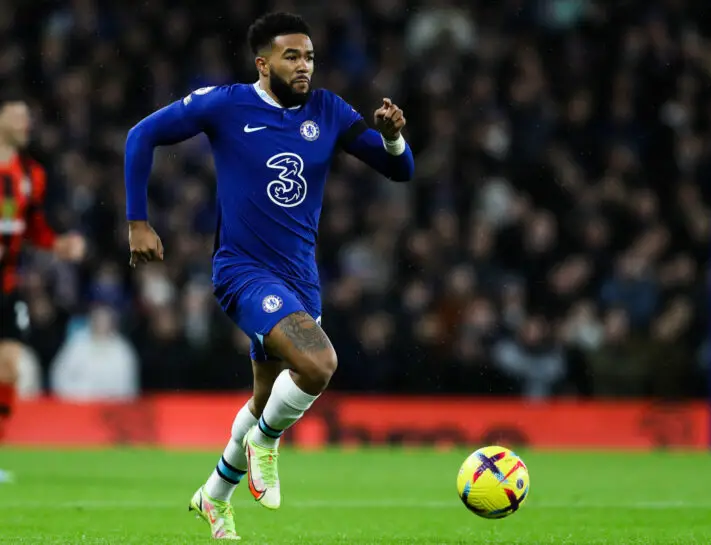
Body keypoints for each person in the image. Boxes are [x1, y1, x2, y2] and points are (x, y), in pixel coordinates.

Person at [124, 12, 414, 539]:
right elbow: (141, 135)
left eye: (310, 57)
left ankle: (214, 497)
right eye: (291, 56)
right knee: (319, 364)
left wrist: (393, 138)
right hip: (243, 271)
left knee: (264, 401)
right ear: (263, 63)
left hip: (300, 279)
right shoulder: (226, 104)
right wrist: (137, 222)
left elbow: (400, 170)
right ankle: (265, 441)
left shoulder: (329, 110)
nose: (304, 66)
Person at [0, 90, 86, 483]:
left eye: (27, 118)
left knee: (9, 366)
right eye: (18, 116)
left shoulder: (31, 174)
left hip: (7, 283)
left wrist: (57, 244)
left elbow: (33, 226)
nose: (26, 124)